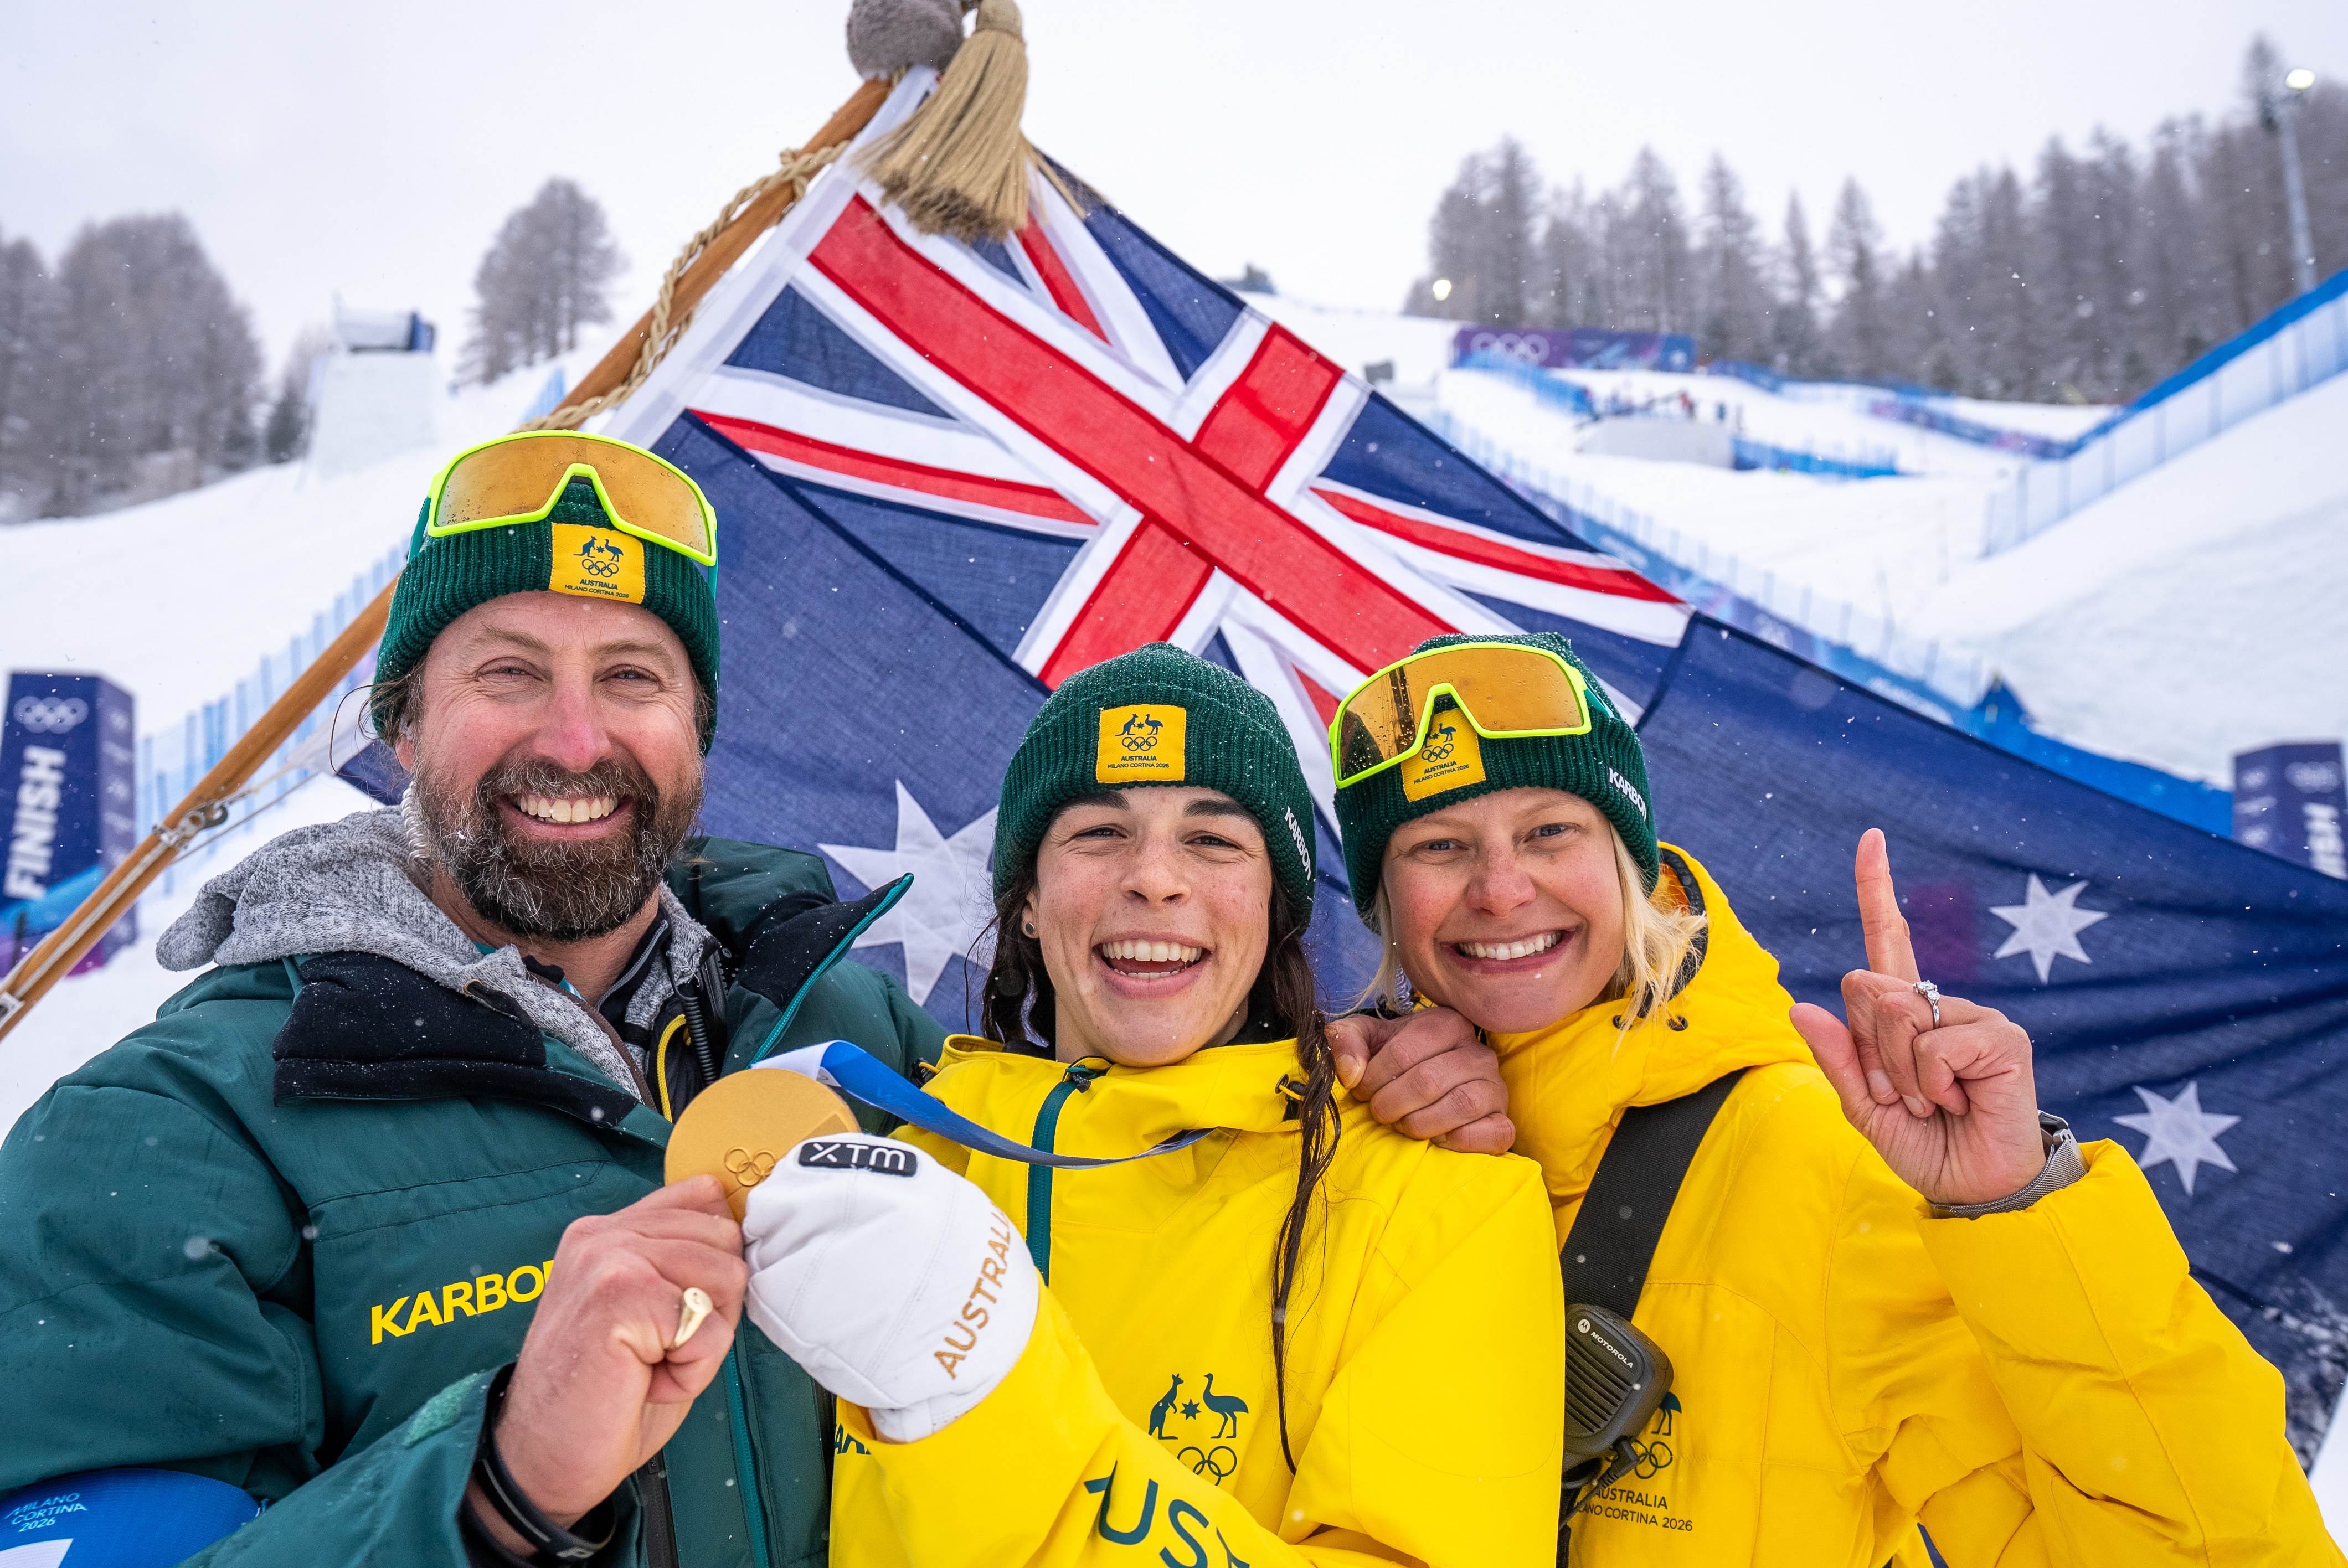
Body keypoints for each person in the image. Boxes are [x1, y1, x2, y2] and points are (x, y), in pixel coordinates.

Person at [0, 435, 1510, 1567]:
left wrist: (1360, 1055)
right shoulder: (160, 1138)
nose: (577, 738)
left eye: (638, 677)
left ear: (701, 733)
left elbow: (1109, 1114)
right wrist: (497, 1486)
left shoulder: (858, 1031)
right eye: (510, 672)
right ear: (402, 721)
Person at [1325, 631, 2341, 1565]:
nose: (1502, 890)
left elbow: (2203, 1550)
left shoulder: (1811, 1165)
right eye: (1440, 847)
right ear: (1384, 903)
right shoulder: (1340, 1146)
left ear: (1632, 869)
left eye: (1550, 832)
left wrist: (2018, 1208)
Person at [737, 644, 1566, 1566]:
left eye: (1212, 840)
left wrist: (975, 1398)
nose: (1155, 879)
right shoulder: (903, 1162)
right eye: (1099, 832)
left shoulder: (1443, 1206)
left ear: (1272, 907)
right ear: (1027, 900)